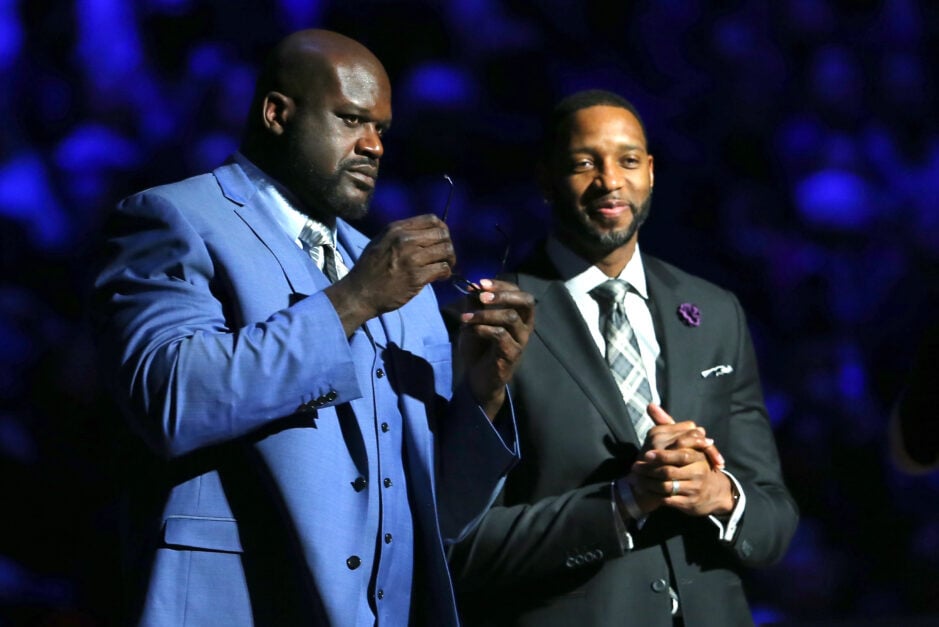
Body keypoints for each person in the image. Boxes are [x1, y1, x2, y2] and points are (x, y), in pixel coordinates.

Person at [93, 29, 534, 626]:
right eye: (352, 119)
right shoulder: (175, 218)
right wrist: (352, 300)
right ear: (277, 113)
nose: (374, 145)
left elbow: (437, 517)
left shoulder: (390, 271)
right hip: (240, 604)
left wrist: (484, 390)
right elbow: (171, 401)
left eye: (382, 129)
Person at [448, 90, 798, 626]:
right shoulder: (491, 322)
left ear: (651, 172)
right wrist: (623, 502)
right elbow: (459, 543)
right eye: (585, 162)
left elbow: (773, 516)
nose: (610, 180)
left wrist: (717, 493)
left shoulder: (714, 310)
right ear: (545, 179)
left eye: (628, 160)